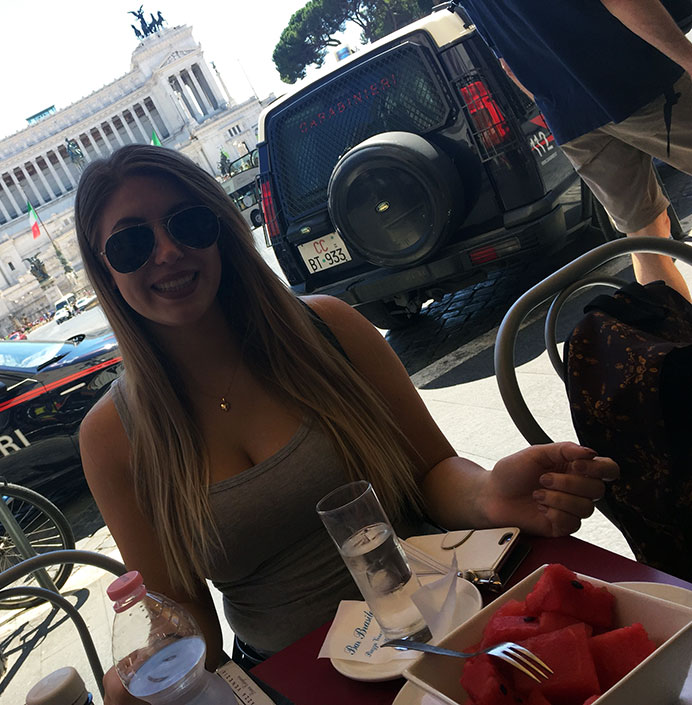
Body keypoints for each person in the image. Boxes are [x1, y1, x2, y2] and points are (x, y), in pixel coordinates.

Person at [74, 145, 618, 704]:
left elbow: (431, 468)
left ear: (221, 230)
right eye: (132, 242)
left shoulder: (327, 329)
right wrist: (150, 666)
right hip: (293, 681)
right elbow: (186, 616)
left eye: (187, 223)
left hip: (444, 626)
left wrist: (489, 496)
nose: (166, 251)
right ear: (104, 268)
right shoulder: (111, 438)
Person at [457, 0, 692, 301]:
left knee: (645, 239)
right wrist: (686, 57)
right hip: (637, 78)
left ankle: (678, 339)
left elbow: (508, 65)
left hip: (571, 120)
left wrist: (561, 108)